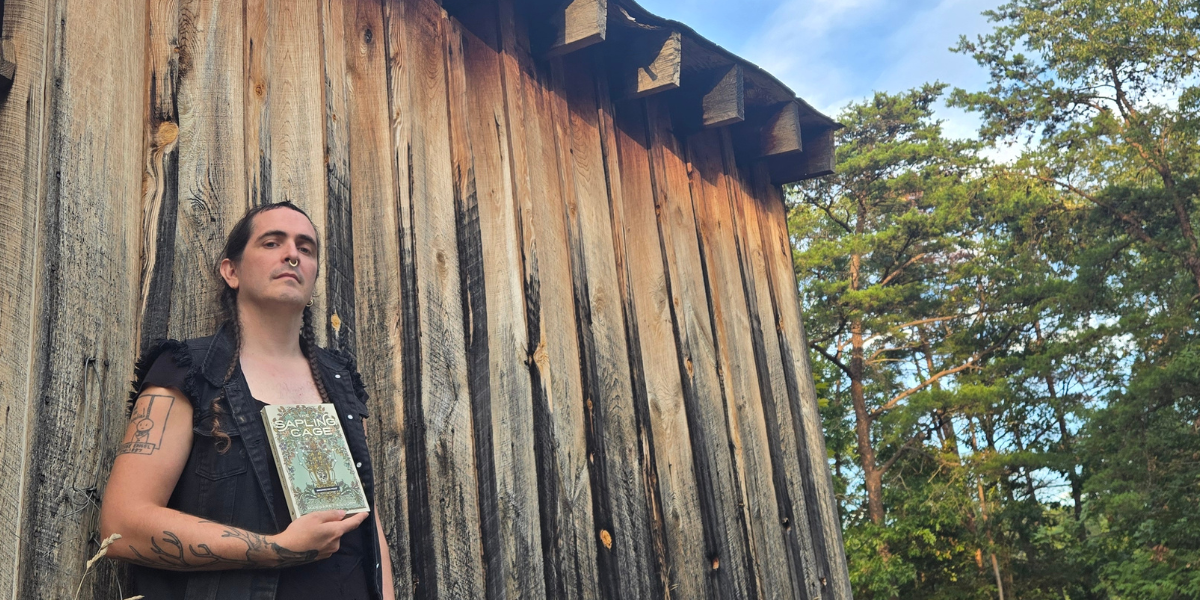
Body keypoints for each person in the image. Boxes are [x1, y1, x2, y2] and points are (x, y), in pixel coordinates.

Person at [99, 202, 395, 600]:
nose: (292, 254)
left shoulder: (340, 380)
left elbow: (366, 521)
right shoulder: (189, 372)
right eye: (272, 242)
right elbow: (122, 526)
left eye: (306, 249)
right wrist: (280, 550)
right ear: (231, 271)